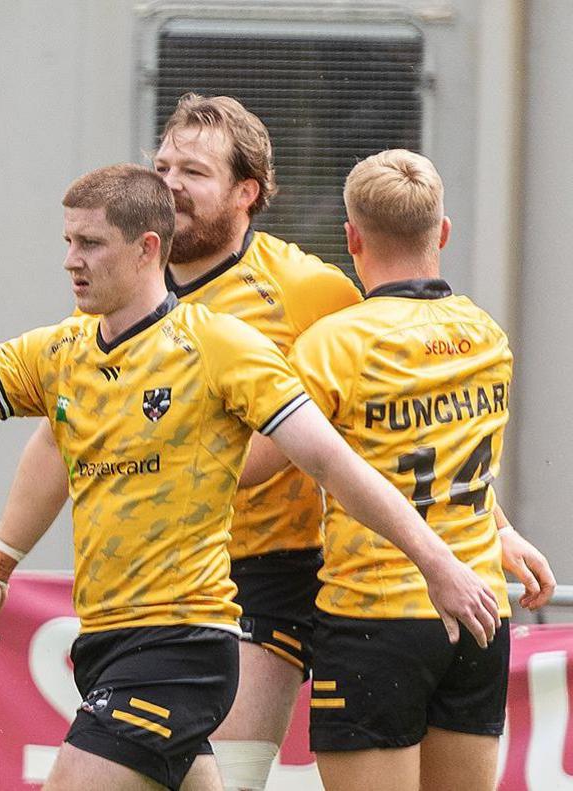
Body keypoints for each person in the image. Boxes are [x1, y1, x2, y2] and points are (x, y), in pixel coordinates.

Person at [0, 163, 499, 791]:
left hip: (181, 644)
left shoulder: (218, 346)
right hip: (106, 642)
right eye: (67, 241)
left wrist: (437, 562)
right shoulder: (61, 351)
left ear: (148, 248)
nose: (71, 260)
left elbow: (335, 464)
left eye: (90, 244)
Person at [0, 93, 551, 791]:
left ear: (247, 192)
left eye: (193, 171)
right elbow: (62, 436)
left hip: (272, 578)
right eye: (161, 165)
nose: (169, 183)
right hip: (155, 587)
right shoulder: (119, 291)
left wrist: (493, 523)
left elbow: (405, 403)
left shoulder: (307, 291)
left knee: (224, 772)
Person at [240, 149, 546, 791]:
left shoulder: (334, 344)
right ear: (443, 233)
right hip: (478, 613)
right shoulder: (486, 334)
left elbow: (253, 466)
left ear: (351, 237)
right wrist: (501, 527)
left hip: (374, 618)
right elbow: (449, 454)